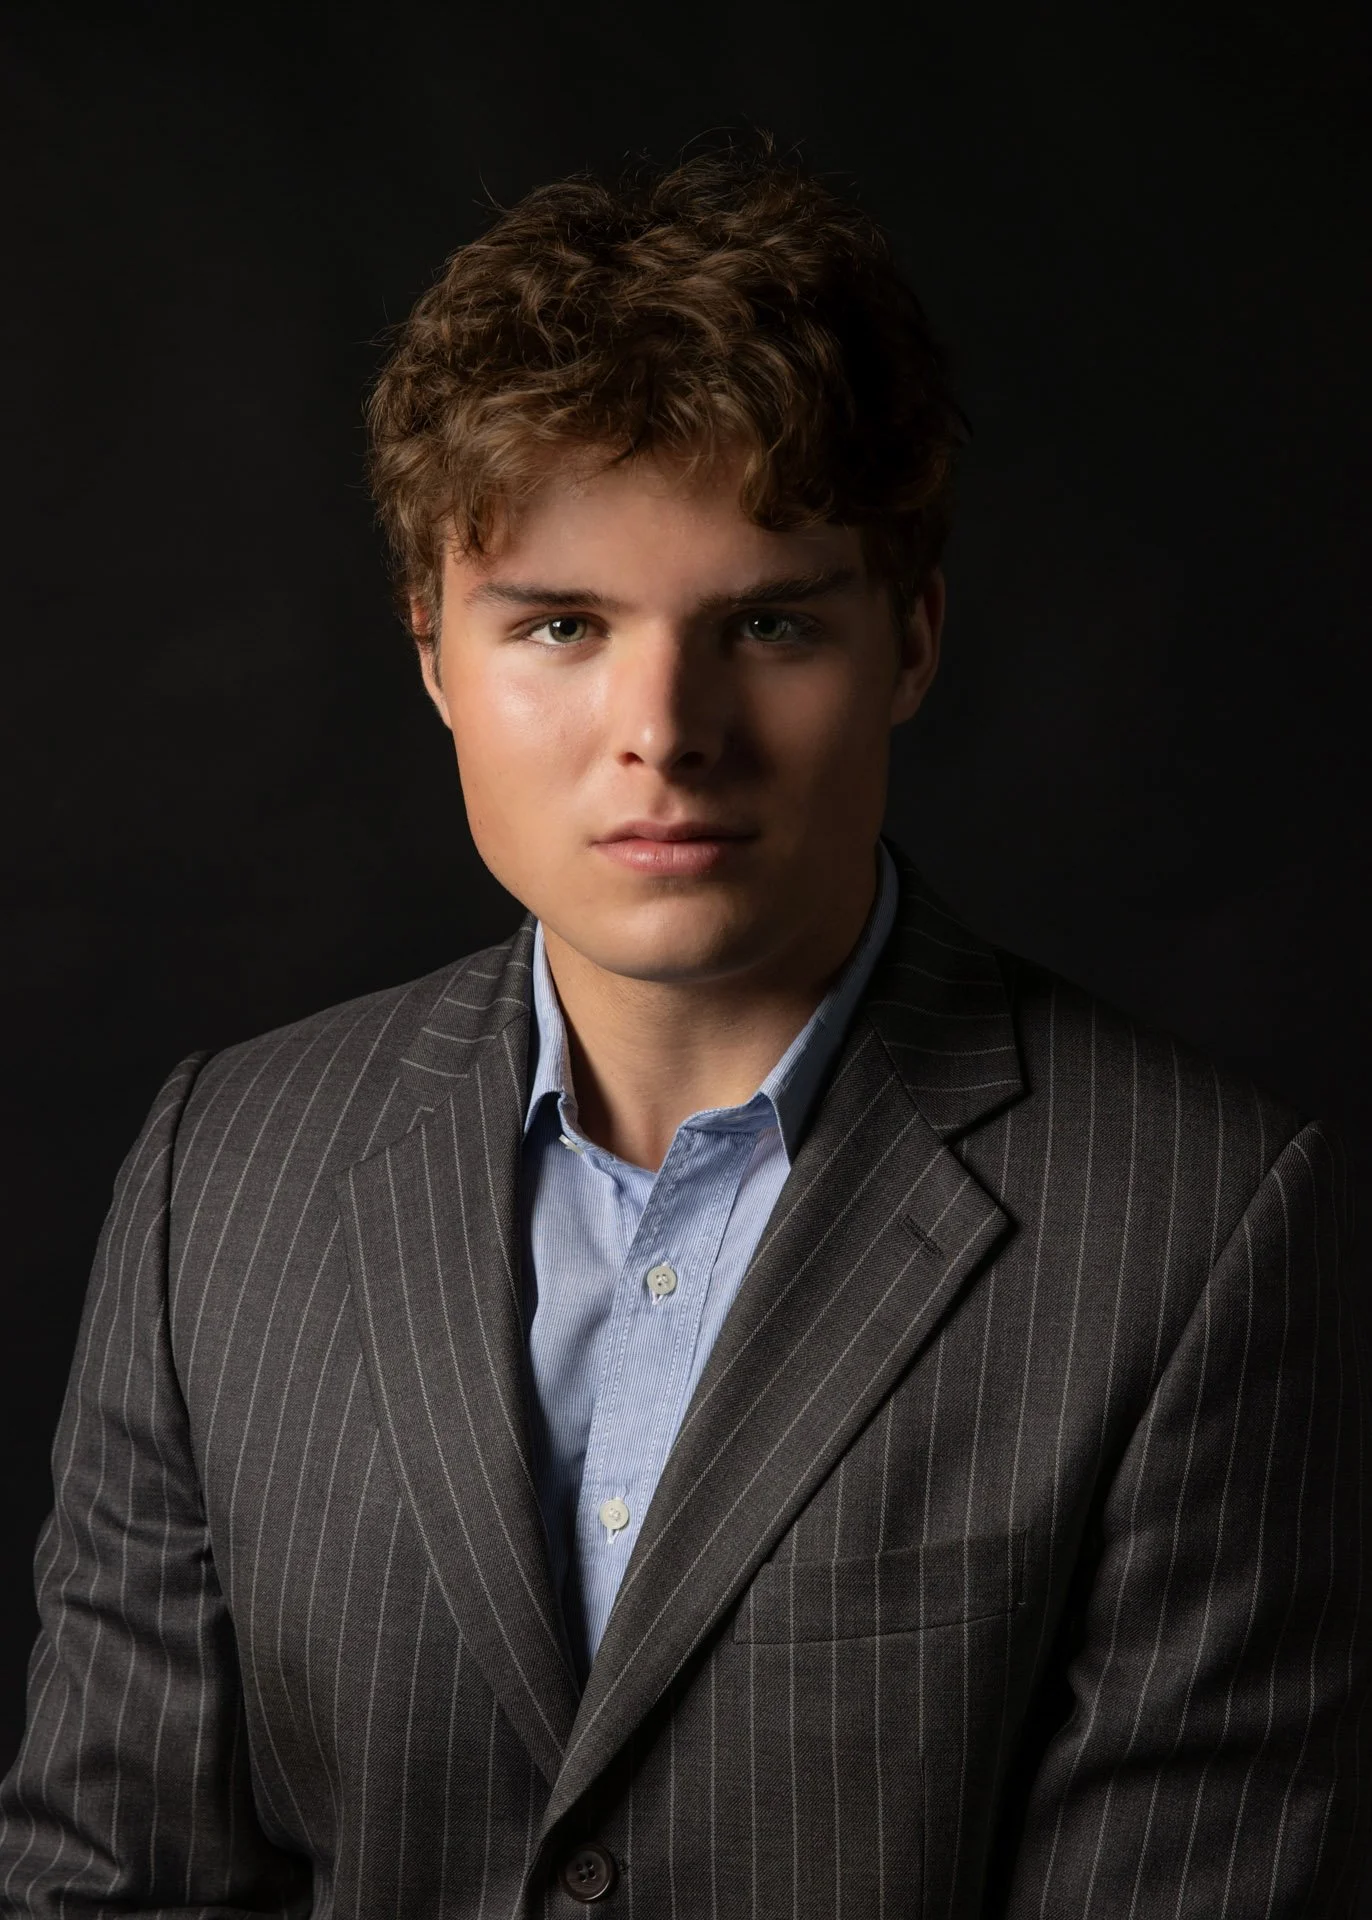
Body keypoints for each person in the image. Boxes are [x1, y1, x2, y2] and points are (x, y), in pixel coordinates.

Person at [0, 139, 1366, 1920]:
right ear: (430, 650)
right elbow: (109, 1884)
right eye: (561, 624)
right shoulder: (222, 1174)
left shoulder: (1201, 1228)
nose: (666, 726)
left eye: (771, 624)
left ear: (912, 644)